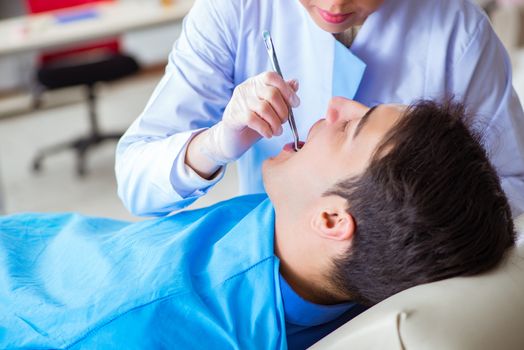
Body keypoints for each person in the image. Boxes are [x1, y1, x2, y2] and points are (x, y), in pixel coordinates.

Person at [1, 98, 515, 349]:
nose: (334, 105)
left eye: (349, 128)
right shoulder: (333, 262)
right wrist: (209, 145)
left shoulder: (142, 326)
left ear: (332, 219)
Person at [115, 0, 524, 217]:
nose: (334, 3)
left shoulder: (457, 30)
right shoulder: (234, 9)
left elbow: (513, 190)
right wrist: (213, 145)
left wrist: (395, 217)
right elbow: (137, 183)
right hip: (271, 270)